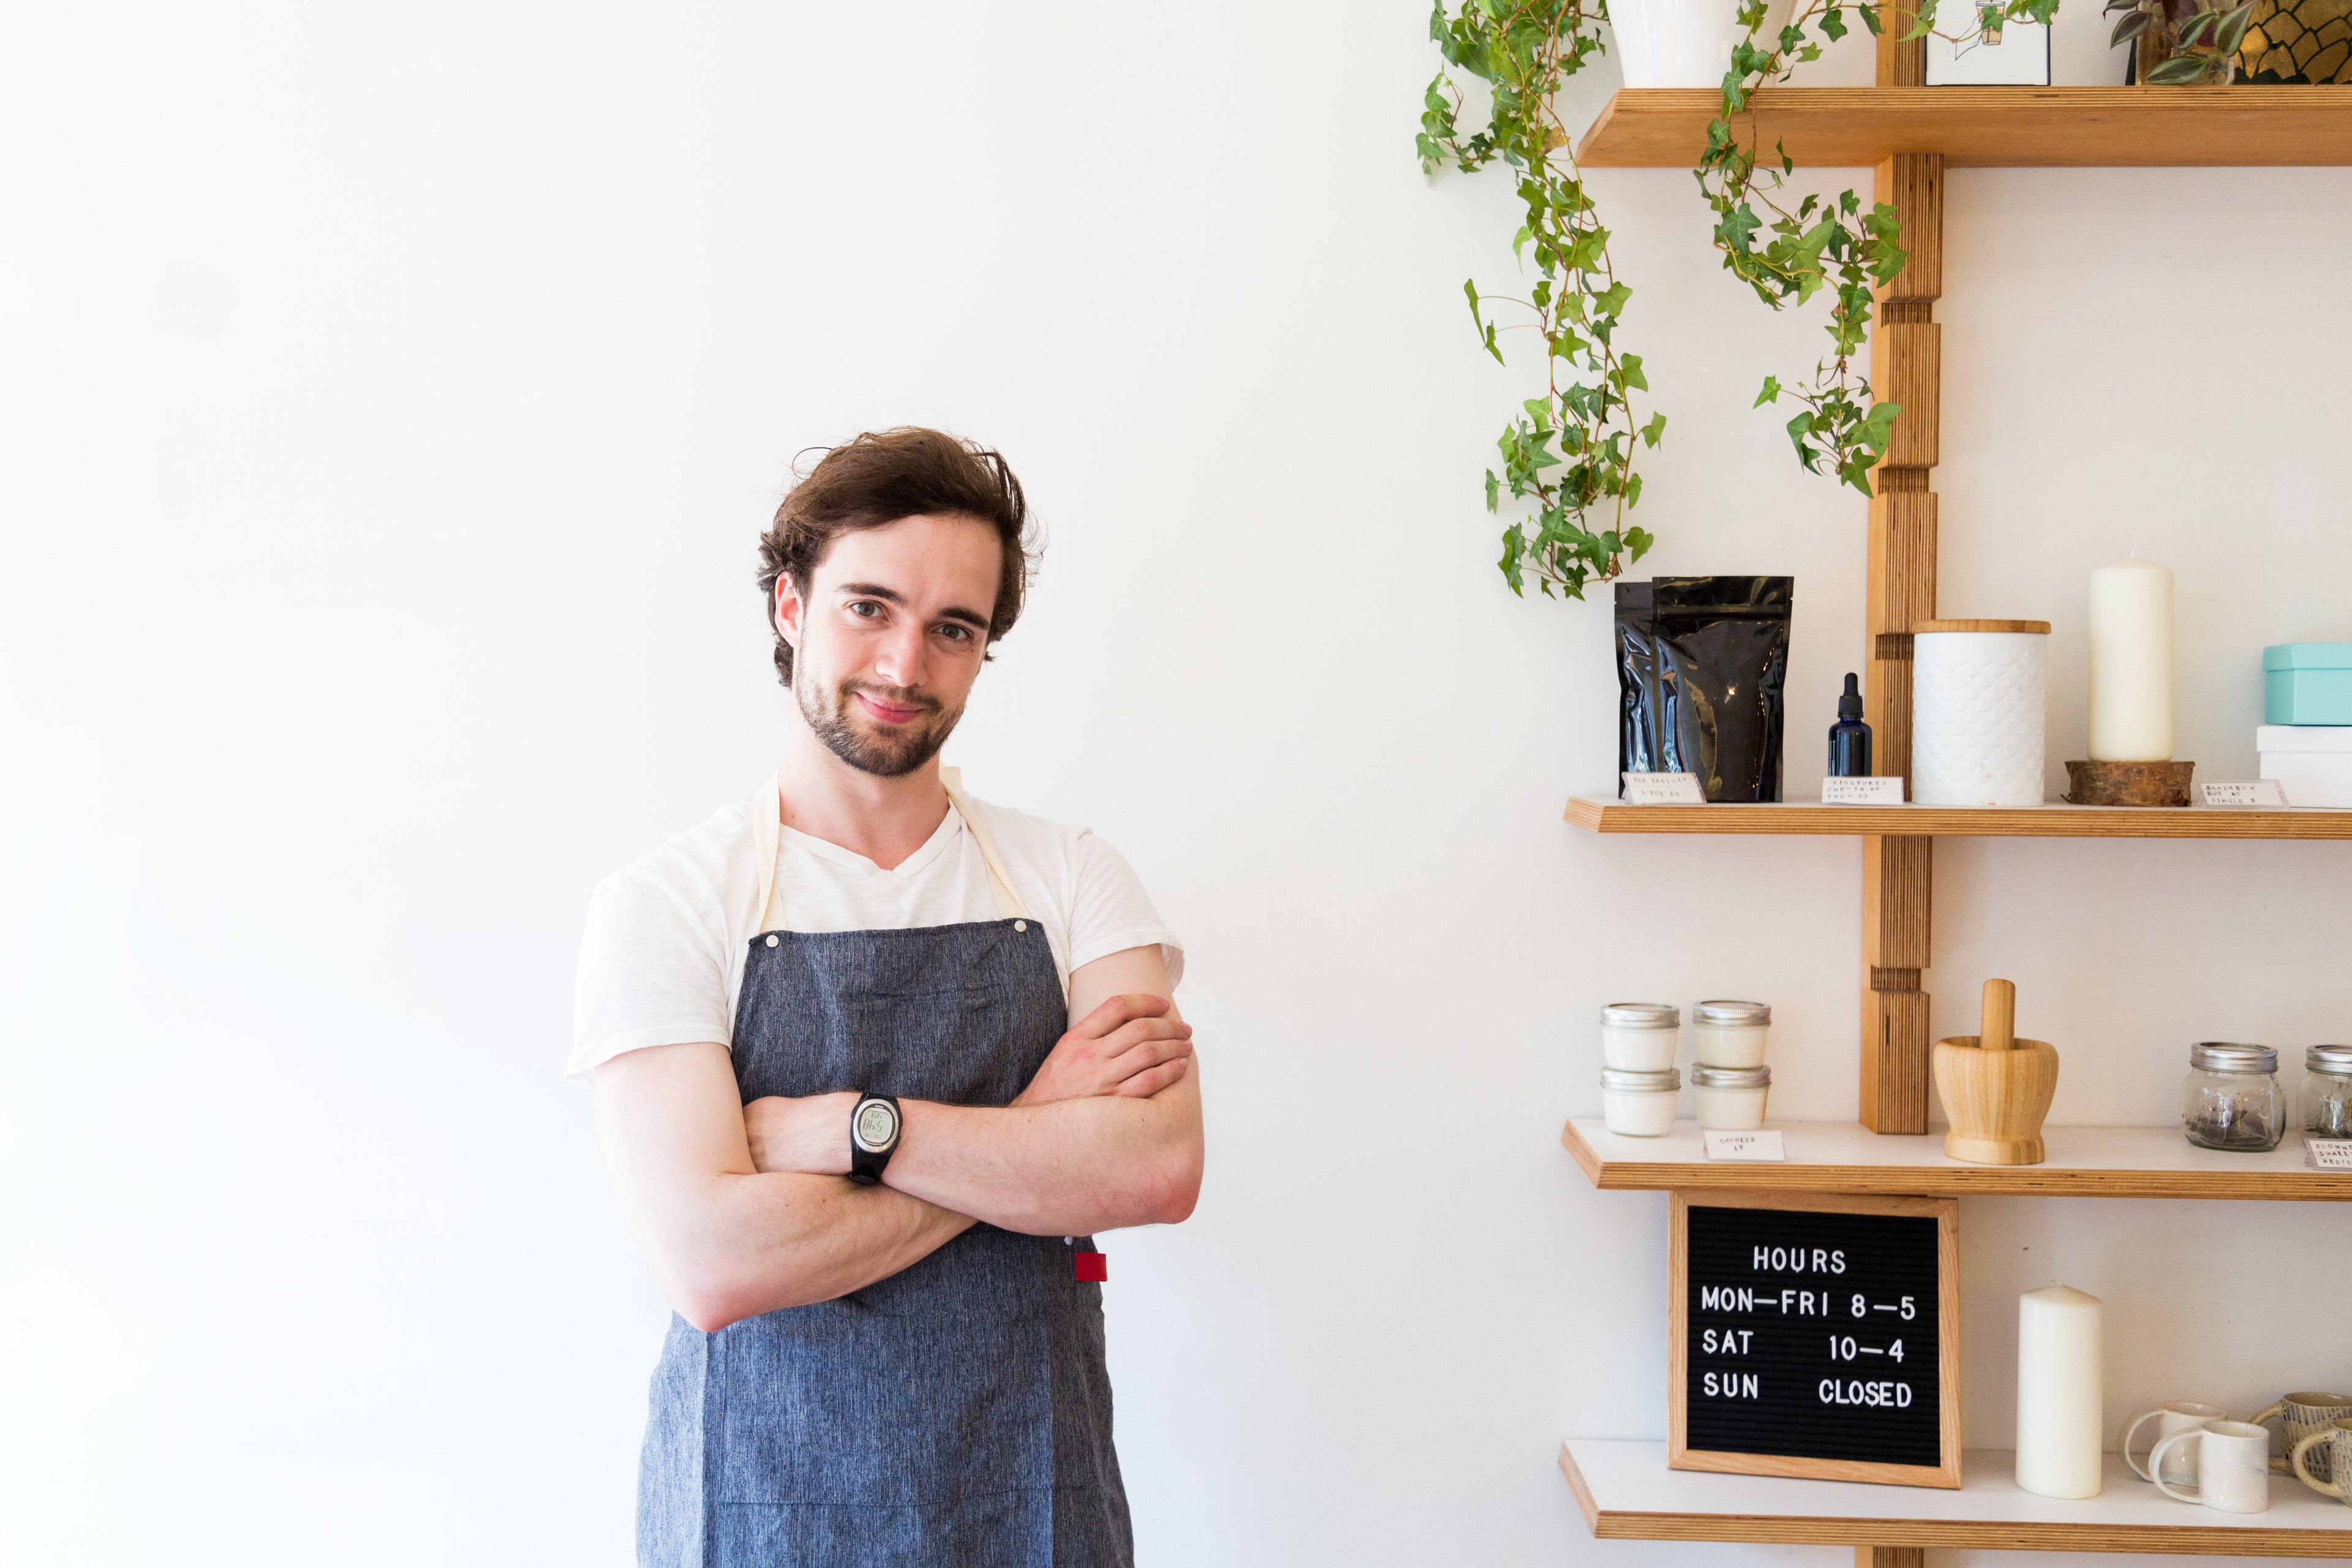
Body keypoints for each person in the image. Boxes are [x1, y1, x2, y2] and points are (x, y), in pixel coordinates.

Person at [569, 428, 1202, 1566]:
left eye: (953, 629)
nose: (907, 665)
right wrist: (1032, 1138)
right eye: (870, 606)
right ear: (790, 607)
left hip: (1031, 1504)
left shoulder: (1073, 877)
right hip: (759, 1516)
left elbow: (1155, 1169)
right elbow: (713, 1264)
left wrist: (850, 1134)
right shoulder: (666, 905)